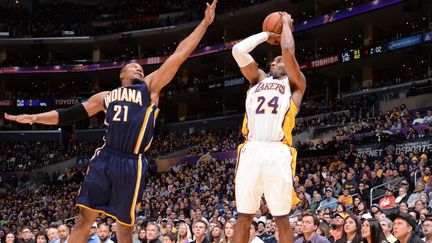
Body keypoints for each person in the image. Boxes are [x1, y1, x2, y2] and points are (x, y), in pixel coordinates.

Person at [4, 1, 217, 243]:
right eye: (132, 67)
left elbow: (179, 54)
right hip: (105, 157)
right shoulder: (105, 97)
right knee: (84, 219)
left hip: (131, 162)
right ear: (121, 75)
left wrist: (204, 23)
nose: (138, 68)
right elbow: (67, 115)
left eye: (140, 67)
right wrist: (33, 117)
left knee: (124, 227)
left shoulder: (150, 88)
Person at [231, 12, 306, 243]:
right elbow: (238, 51)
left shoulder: (295, 84)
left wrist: (284, 25)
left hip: (277, 150)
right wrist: (266, 34)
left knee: (281, 217)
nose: (274, 62)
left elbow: (288, 52)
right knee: (244, 216)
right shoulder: (258, 80)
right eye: (272, 61)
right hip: (251, 149)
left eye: (279, 61)